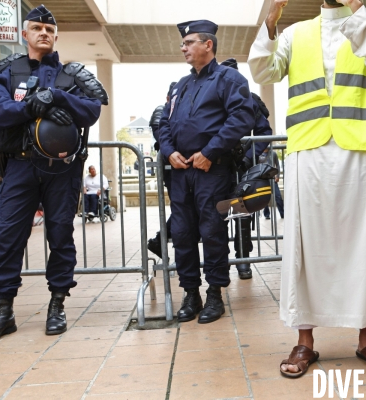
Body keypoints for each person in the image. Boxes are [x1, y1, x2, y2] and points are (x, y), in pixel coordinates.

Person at [249, 0, 366, 378]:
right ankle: (305, 340)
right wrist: (269, 24)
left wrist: (356, 10)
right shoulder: (294, 32)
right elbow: (263, 71)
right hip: (312, 150)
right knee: (308, 245)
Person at [0, 5, 104, 344]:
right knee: (6, 236)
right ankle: (4, 313)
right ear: (24, 34)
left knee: (61, 236)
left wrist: (58, 95)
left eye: (49, 28)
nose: (43, 32)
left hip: (62, 170)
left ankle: (57, 305)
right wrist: (31, 106)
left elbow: (91, 110)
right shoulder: (7, 71)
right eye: (36, 28)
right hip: (19, 166)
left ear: (56, 36)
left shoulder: (73, 75)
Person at [158, 20, 255, 324]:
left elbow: (242, 117)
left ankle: (214, 294)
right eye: (183, 43)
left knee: (213, 232)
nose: (183, 48)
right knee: (182, 234)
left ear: (208, 45)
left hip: (212, 171)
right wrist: (168, 150)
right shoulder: (180, 85)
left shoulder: (229, 79)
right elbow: (162, 122)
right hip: (181, 172)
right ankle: (191, 293)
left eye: (188, 42)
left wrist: (210, 152)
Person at [219, 57, 273, 280]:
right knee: (218, 214)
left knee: (242, 215)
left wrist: (248, 158)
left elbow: (264, 132)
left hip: (242, 168)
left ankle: (243, 260)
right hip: (218, 165)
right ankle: (221, 263)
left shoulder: (250, 100)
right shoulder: (212, 99)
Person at [147, 82, 177, 259]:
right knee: (182, 209)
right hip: (172, 167)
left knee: (186, 210)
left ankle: (159, 241)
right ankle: (159, 240)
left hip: (179, 166)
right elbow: (163, 137)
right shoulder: (161, 111)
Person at [258, 147, 284, 220]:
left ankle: (282, 213)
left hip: (272, 178)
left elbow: (277, 165)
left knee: (278, 196)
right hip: (263, 179)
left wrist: (277, 175)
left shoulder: (273, 153)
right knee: (264, 198)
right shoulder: (258, 154)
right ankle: (267, 214)